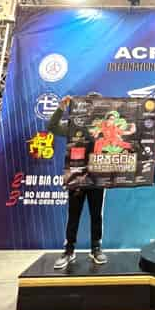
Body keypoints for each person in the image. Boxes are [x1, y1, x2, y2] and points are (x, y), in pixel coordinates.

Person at [48, 93, 107, 269]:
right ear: (84, 106)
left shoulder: (105, 127)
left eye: (96, 104)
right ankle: (69, 250)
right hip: (76, 177)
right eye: (89, 104)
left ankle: (96, 248)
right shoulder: (75, 124)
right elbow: (52, 127)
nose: (92, 106)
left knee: (96, 215)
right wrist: (61, 108)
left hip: (97, 177)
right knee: (74, 214)